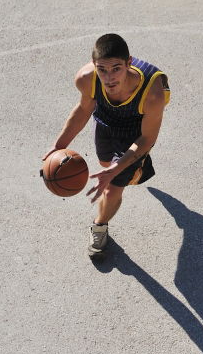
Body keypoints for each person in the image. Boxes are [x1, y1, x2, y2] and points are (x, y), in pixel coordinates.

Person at [42, 33, 170, 258]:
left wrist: (117, 167)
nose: (109, 77)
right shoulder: (86, 78)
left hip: (136, 130)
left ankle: (99, 226)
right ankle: (134, 170)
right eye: (102, 69)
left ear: (129, 63)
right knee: (105, 165)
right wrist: (58, 146)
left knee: (111, 186)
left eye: (116, 69)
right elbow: (83, 110)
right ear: (94, 65)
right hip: (105, 120)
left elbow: (147, 139)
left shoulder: (152, 93)